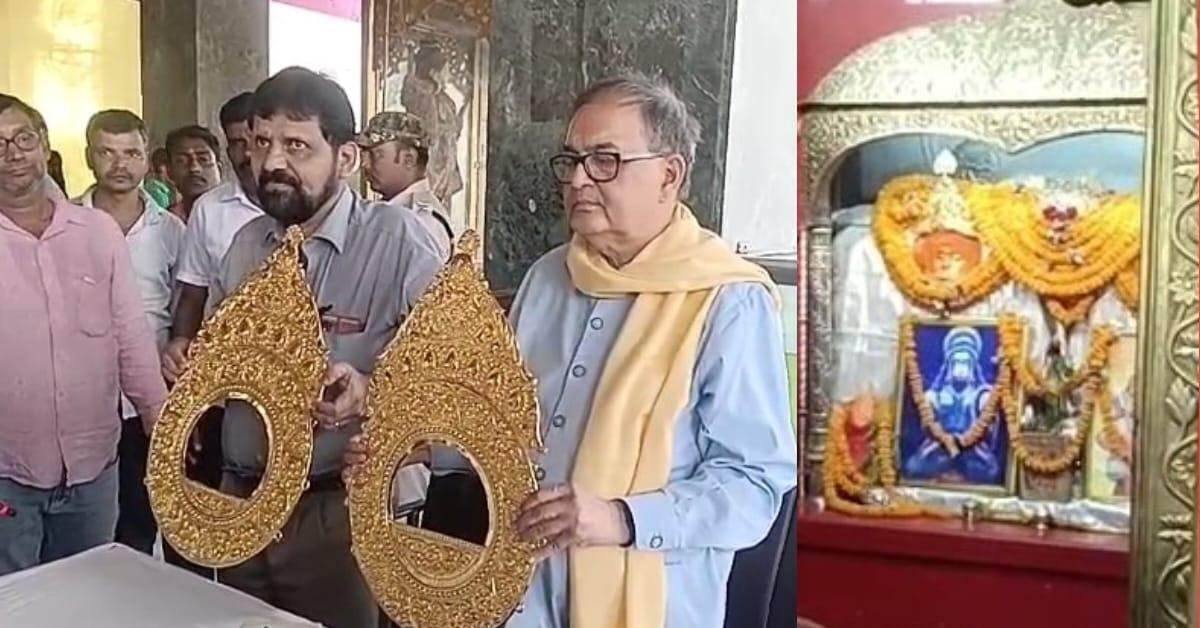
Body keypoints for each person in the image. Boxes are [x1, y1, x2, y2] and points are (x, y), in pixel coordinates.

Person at [346, 72, 797, 627]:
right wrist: (418, 448)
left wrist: (623, 519)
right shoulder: (548, 278)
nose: (580, 179)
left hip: (650, 602)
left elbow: (756, 483)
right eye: (572, 161)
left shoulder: (727, 301)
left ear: (669, 174)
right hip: (519, 595)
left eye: (605, 161)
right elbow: (504, 428)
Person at [181, 67, 440, 628]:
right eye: (261, 143)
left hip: (336, 513)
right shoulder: (247, 245)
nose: (272, 162)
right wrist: (196, 369)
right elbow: (219, 357)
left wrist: (370, 390)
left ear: (345, 158)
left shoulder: (399, 243)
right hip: (242, 499)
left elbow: (449, 379)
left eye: (296, 146)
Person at [0, 94, 167, 576]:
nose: (13, 153)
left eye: (23, 138)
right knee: (14, 601)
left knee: (88, 592)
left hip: (93, 468)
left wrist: (160, 421)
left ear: (44, 143)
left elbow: (131, 336)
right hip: (8, 472)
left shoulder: (97, 232)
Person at [74, 109, 185, 556]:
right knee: (84, 529)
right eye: (107, 153)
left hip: (148, 400)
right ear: (89, 157)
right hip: (81, 400)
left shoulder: (171, 231)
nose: (120, 165)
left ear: (146, 158)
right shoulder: (63, 224)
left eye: (131, 153)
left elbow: (182, 309)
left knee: (141, 519)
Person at [164, 92, 262, 380]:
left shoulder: (301, 205)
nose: (247, 154)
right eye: (237, 144)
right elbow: (194, 292)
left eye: (256, 142)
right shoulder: (210, 208)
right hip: (225, 367)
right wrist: (181, 341)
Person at [902, 326, 1002, 484]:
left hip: (972, 451)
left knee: (991, 471)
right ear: (949, 365)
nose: (961, 369)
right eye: (957, 362)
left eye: (965, 363)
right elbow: (926, 429)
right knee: (914, 467)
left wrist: (969, 438)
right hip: (939, 448)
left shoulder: (982, 396)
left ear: (972, 366)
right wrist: (944, 438)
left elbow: (990, 434)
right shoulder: (934, 396)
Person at [358, 110, 452, 259]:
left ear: (409, 159)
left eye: (376, 155)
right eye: (364, 155)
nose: (365, 164)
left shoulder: (423, 222)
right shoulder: (391, 211)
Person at [400, 44, 464, 208]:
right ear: (434, 73)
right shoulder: (423, 97)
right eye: (446, 70)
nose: (448, 76)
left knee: (442, 211)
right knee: (426, 208)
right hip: (431, 162)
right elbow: (429, 132)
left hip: (445, 163)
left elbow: (454, 130)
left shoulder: (446, 100)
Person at [164, 124, 221, 222]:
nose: (194, 168)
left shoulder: (239, 217)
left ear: (219, 169)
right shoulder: (163, 224)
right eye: (182, 161)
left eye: (203, 159)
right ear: (169, 173)